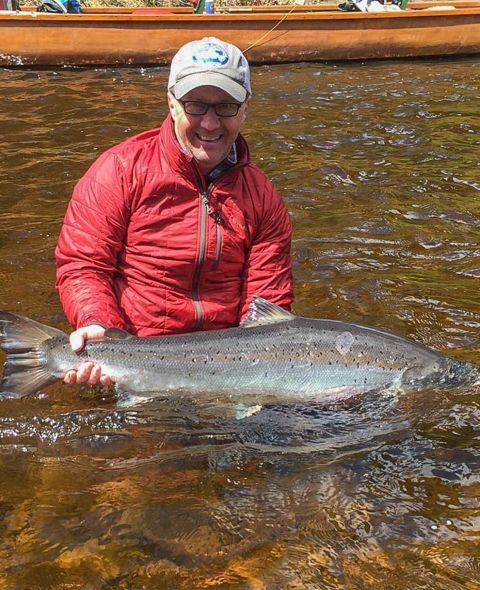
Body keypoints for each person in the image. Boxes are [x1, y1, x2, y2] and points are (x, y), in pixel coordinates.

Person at [55, 37, 294, 387]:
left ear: (245, 109)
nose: (210, 124)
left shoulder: (264, 198)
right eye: (195, 105)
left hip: (227, 367)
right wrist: (98, 324)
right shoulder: (119, 170)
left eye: (225, 106)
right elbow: (83, 263)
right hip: (134, 349)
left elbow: (267, 304)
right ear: (171, 102)